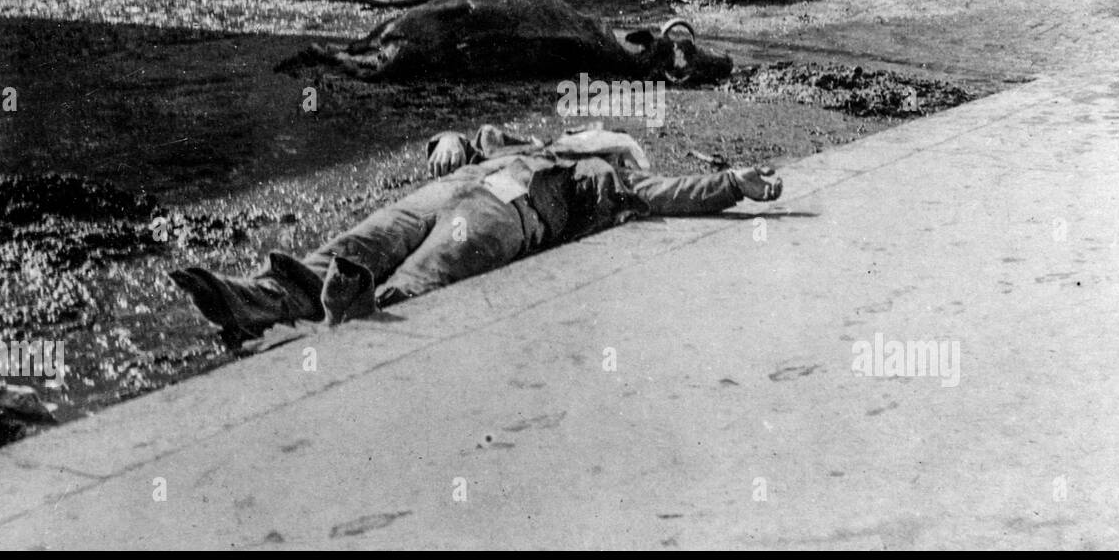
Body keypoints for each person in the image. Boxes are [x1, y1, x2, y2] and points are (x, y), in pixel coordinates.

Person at [170, 125, 785, 343]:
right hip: (452, 188)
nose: (594, 137)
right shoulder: (517, 140)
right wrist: (447, 142)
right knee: (353, 245)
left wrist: (734, 183)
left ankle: (355, 306)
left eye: (609, 139)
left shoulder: (603, 176)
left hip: (504, 213)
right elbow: (460, 141)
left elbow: (664, 194)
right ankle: (253, 300)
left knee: (420, 275)